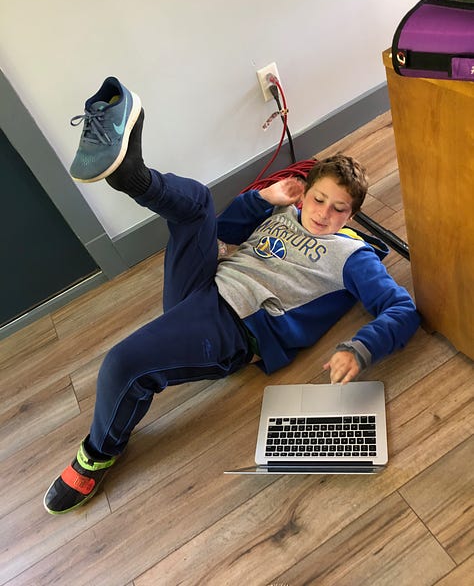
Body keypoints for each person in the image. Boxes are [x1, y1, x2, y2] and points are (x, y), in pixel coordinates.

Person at [44, 77, 420, 514]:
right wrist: (263, 198)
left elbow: (402, 308)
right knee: (199, 202)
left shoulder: (353, 256)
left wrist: (360, 349)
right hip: (205, 287)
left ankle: (97, 454)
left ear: (352, 213)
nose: (324, 214)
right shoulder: (285, 209)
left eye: (340, 209)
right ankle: (131, 176)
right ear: (307, 193)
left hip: (235, 325)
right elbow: (220, 232)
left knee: (123, 363)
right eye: (318, 200)